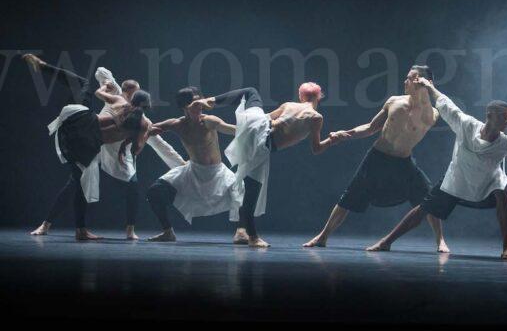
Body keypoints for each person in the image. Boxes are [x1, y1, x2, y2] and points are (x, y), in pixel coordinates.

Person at [366, 77, 507, 258]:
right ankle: (386, 241)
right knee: (423, 209)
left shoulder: (505, 142)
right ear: (489, 116)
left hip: (487, 183)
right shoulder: (466, 125)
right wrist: (430, 86)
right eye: (503, 117)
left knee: (502, 190)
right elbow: (446, 104)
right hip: (458, 179)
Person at [303, 65, 448, 252]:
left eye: (410, 78)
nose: (405, 81)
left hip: (404, 162)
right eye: (406, 77)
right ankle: (322, 237)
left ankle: (440, 241)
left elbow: (427, 113)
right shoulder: (394, 101)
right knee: (350, 196)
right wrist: (346, 134)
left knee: (428, 197)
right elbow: (371, 127)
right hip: (378, 157)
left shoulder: (432, 113)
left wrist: (427, 87)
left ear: (424, 82)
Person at [30, 66, 185, 240]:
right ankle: (48, 225)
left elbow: (162, 147)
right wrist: (108, 83)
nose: (131, 94)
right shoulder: (119, 98)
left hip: (111, 153)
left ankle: (130, 229)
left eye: (135, 92)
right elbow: (101, 71)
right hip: (93, 145)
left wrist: (181, 164)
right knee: (75, 184)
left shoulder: (142, 121)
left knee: (132, 186)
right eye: (131, 91)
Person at [188, 82, 339, 247]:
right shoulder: (316, 118)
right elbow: (316, 149)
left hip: (256, 123)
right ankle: (253, 237)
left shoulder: (288, 105)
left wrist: (243, 129)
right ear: (318, 98)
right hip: (263, 143)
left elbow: (267, 118)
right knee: (251, 192)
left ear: (301, 96)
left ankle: (209, 101)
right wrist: (332, 140)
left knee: (250, 92)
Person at [144, 86, 243, 242]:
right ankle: (168, 232)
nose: (200, 106)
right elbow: (149, 129)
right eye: (195, 103)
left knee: (242, 188)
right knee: (154, 192)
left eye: (200, 102)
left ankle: (242, 231)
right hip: (193, 173)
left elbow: (233, 130)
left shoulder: (209, 121)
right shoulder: (178, 124)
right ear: (185, 107)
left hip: (217, 173)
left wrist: (259, 127)